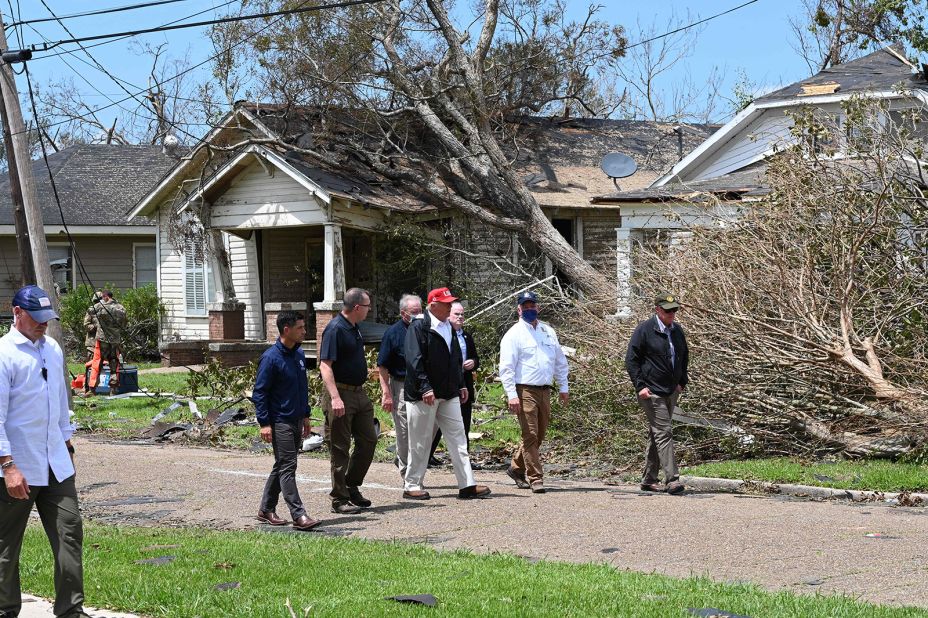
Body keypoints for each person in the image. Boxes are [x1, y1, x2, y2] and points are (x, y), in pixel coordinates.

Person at [0, 285, 89, 618]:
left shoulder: (51, 348)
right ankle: (5, 609)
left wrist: (67, 441)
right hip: (17, 465)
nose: (43, 325)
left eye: (46, 319)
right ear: (17, 313)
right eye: (36, 319)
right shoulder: (4, 354)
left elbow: (60, 400)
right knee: (6, 545)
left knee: (70, 534)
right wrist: (8, 466)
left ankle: (70, 610)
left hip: (56, 462)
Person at [403, 287, 490, 501]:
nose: (450, 306)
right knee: (421, 441)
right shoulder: (418, 327)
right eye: (446, 303)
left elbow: (455, 358)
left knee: (459, 438)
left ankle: (467, 484)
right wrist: (425, 387)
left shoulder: (449, 327)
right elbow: (414, 361)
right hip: (423, 394)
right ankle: (412, 485)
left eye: (451, 303)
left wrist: (460, 383)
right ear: (433, 305)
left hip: (448, 392)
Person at [253, 310, 320, 531]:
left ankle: (266, 509)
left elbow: (302, 388)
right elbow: (260, 393)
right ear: (286, 330)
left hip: (297, 418)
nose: (304, 331)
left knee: (282, 464)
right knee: (288, 466)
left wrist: (306, 414)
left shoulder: (299, 355)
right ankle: (298, 515)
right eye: (300, 328)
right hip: (279, 420)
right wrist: (264, 423)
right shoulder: (271, 358)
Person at [499, 291, 569, 494]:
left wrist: (563, 387)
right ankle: (535, 477)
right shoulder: (513, 334)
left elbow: (559, 361)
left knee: (539, 434)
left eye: (533, 306)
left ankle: (515, 467)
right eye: (525, 306)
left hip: (545, 389)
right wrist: (511, 394)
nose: (530, 309)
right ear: (518, 309)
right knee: (529, 434)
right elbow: (506, 368)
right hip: (524, 389)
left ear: (538, 307)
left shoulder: (548, 331)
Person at [319, 288, 377, 515]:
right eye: (367, 306)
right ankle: (339, 499)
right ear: (356, 308)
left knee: (369, 440)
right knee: (340, 448)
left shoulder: (355, 327)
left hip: (359, 393)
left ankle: (351, 485)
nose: (369, 310)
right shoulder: (335, 329)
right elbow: (325, 366)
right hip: (340, 394)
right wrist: (335, 397)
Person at [625, 293, 690, 495]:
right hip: (651, 392)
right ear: (657, 310)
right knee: (664, 432)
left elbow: (684, 355)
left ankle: (648, 479)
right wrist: (640, 386)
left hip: (671, 390)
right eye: (668, 310)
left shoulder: (677, 330)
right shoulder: (644, 330)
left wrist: (682, 381)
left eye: (674, 310)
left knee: (657, 434)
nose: (672, 314)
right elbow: (631, 360)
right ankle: (672, 479)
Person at [376, 294, 422, 480]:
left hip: (422, 385)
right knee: (404, 430)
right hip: (401, 385)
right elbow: (382, 366)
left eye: (421, 311)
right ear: (403, 313)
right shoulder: (393, 333)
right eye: (414, 312)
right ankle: (406, 472)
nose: (419, 315)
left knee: (424, 429)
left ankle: (407, 461)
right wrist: (386, 393)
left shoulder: (425, 328)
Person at [428, 301, 480, 462]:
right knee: (437, 424)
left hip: (464, 383)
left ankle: (464, 459)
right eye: (456, 314)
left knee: (463, 423)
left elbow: (476, 358)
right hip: (446, 384)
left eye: (462, 314)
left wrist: (473, 362)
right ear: (449, 315)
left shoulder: (466, 336)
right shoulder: (442, 333)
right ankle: (426, 455)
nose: (460, 317)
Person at [88, 290, 126, 395]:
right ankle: (113, 389)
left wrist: (99, 303)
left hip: (102, 339)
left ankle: (92, 389)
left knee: (97, 363)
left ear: (105, 297)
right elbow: (124, 324)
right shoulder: (121, 308)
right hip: (115, 340)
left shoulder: (100, 306)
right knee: (114, 363)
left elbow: (90, 311)